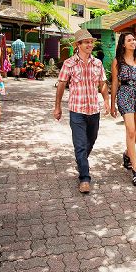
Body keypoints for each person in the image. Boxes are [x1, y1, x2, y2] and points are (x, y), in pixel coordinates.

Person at [55, 29, 109, 194]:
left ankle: (81, 161)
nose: (90, 45)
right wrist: (57, 106)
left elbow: (103, 84)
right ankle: (84, 178)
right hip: (76, 110)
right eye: (86, 42)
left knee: (90, 141)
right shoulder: (69, 63)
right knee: (79, 145)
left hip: (94, 109)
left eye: (91, 42)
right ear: (78, 45)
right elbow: (61, 85)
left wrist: (106, 100)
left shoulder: (97, 63)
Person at [111, 33, 136, 186]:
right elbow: (114, 83)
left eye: (134, 40)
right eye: (129, 40)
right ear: (123, 44)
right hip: (125, 94)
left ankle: (127, 154)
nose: (133, 42)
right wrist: (112, 104)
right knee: (131, 130)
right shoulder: (117, 61)